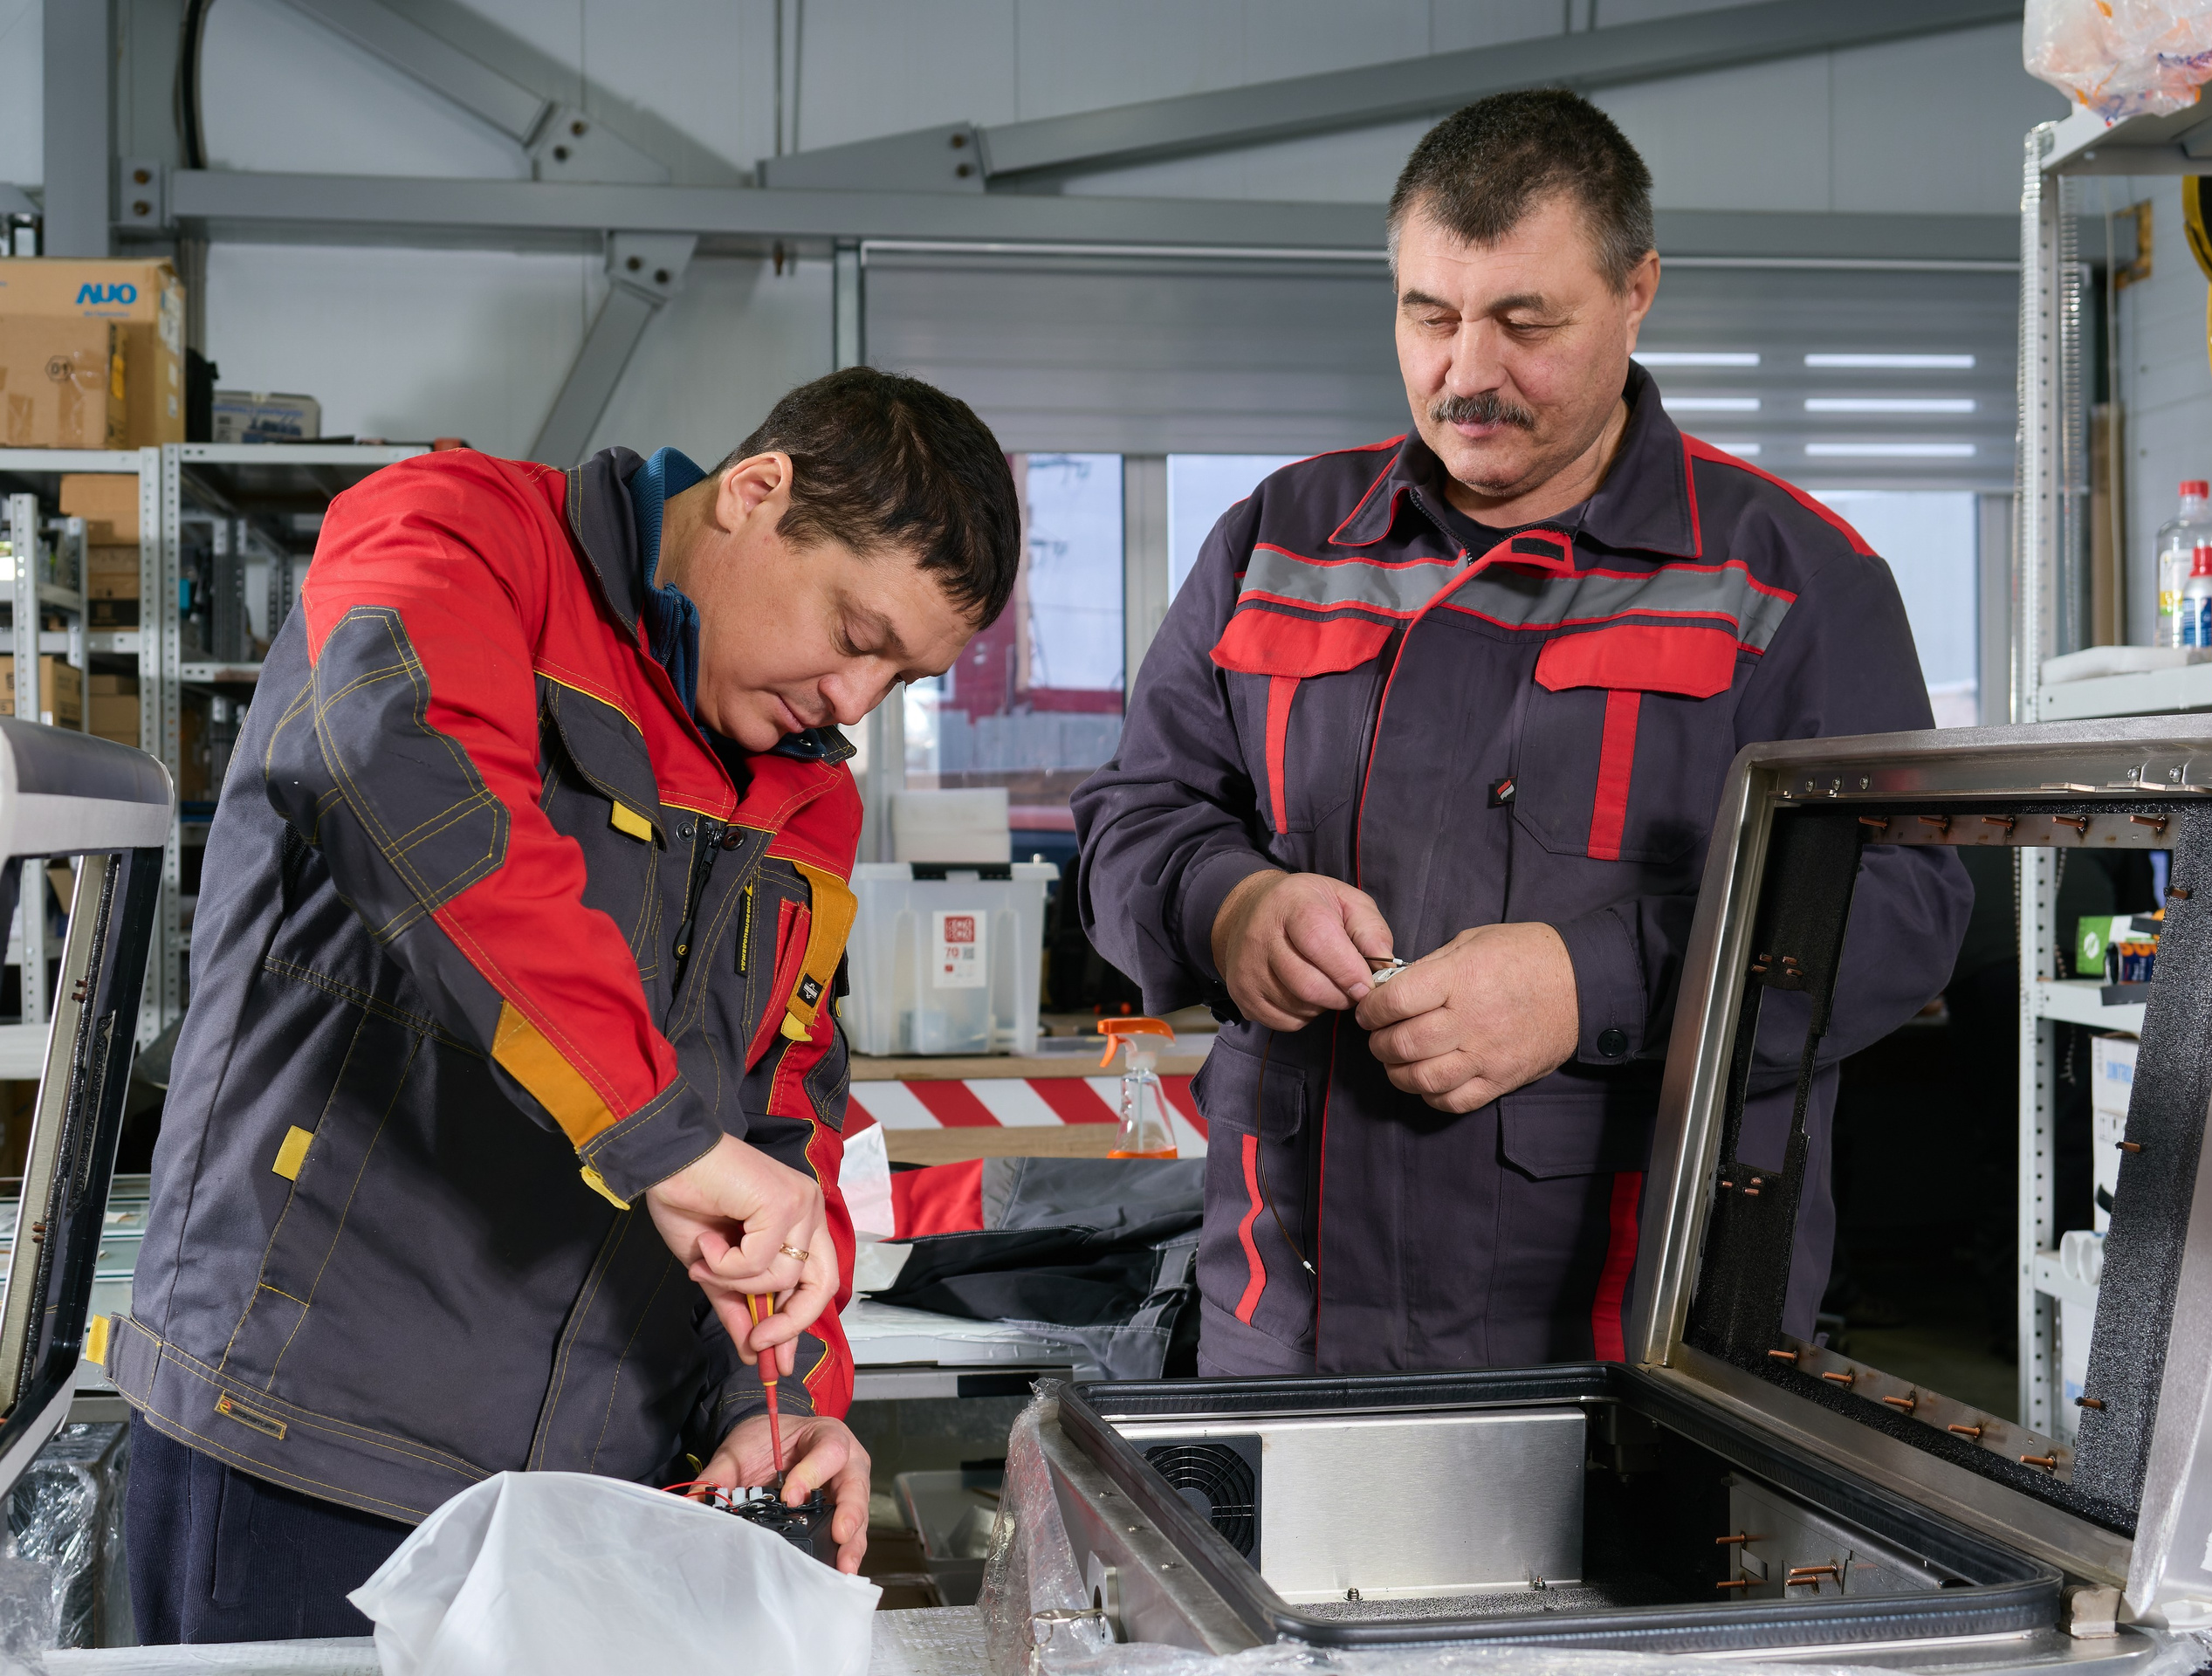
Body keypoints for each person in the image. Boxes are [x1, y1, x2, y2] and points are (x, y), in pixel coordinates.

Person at [1073, 90, 1970, 1377]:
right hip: (1287, 1334)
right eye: (1428, 317)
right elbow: (1133, 819)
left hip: (1646, 1358)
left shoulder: (1789, 581)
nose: (1466, 373)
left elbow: (1902, 910)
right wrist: (1229, 905)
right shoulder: (1274, 544)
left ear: (1636, 291)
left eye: (1522, 323)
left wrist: (1586, 988)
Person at [114, 368, 1020, 1639]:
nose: (854, 704)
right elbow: (409, 780)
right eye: (858, 636)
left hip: (598, 1504)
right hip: (311, 1450)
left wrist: (784, 1399)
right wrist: (660, 1137)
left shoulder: (811, 796)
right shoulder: (458, 534)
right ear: (758, 494)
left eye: (904, 679)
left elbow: (779, 1114)